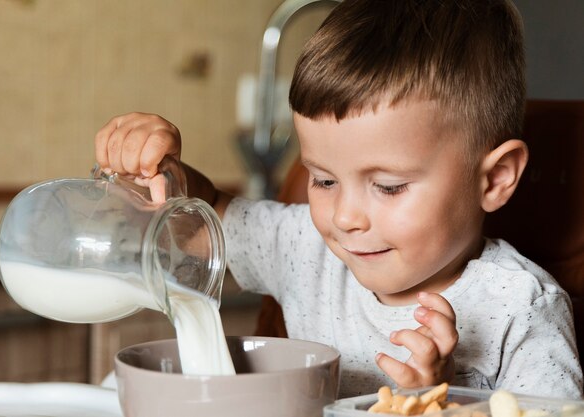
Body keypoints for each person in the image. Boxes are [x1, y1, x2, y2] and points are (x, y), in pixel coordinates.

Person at [94, 0, 583, 399]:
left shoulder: (521, 308)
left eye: (389, 186)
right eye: (323, 180)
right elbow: (201, 223)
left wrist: (440, 399)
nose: (344, 218)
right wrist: (159, 168)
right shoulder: (304, 248)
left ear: (495, 179)